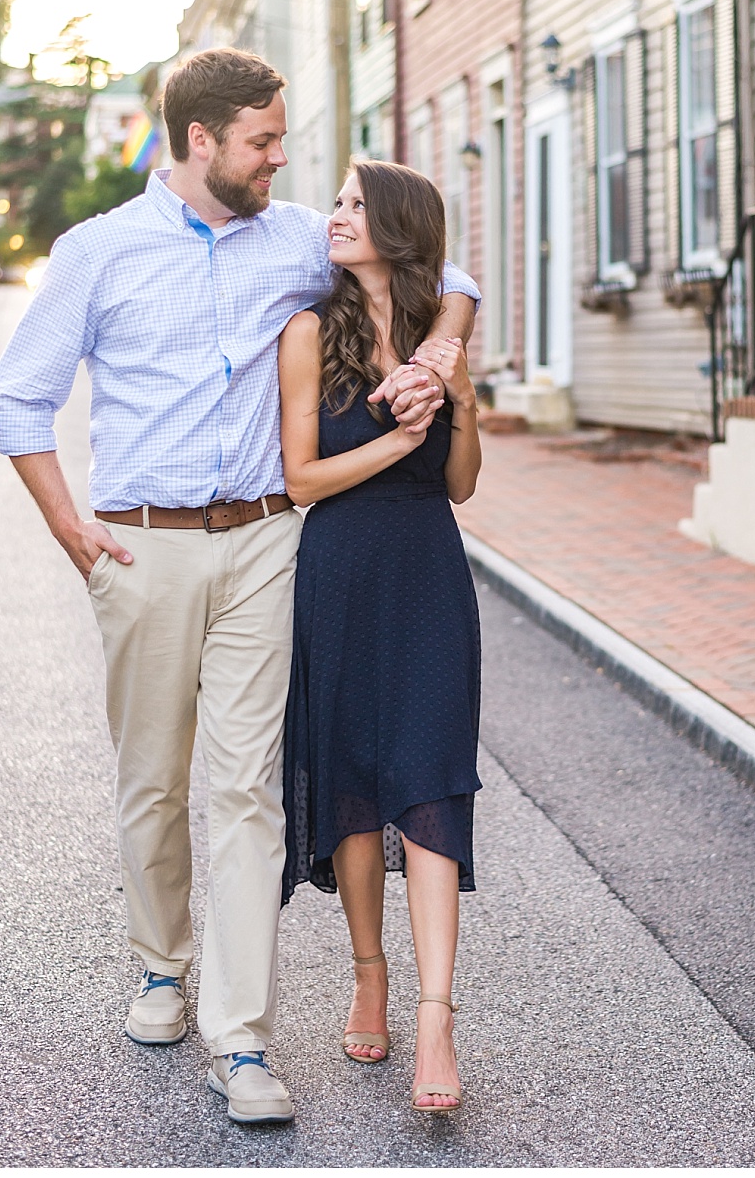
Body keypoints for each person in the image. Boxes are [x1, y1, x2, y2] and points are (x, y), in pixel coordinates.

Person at [0, 46, 478, 1125]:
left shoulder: (300, 236)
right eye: (263, 140)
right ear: (202, 140)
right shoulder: (99, 252)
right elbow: (19, 402)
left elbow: (450, 277)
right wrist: (73, 533)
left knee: (249, 789)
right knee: (154, 782)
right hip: (141, 545)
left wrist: (436, 358)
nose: (281, 158)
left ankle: (241, 1040)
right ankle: (163, 968)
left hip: (266, 542)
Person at [278, 159, 483, 1115]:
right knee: (355, 783)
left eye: (358, 205)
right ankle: (371, 972)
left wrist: (462, 404)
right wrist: (399, 439)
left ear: (399, 226)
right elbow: (301, 480)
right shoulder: (309, 331)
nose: (338, 216)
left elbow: (463, 484)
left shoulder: (442, 342)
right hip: (342, 573)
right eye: (339, 202)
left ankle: (436, 1018)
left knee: (432, 778)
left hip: (431, 576)